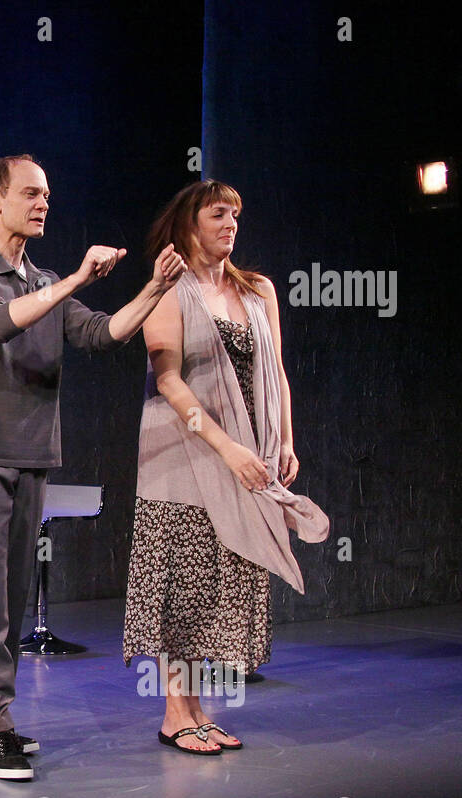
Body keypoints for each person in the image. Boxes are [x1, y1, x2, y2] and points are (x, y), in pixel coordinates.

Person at [0, 155, 186, 780]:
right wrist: (75, 279)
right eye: (31, 193)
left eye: (47, 193)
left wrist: (154, 287)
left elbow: (104, 334)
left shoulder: (41, 277)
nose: (43, 203)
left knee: (12, 598)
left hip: (32, 454)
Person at [123, 180, 329, 754]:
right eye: (218, 214)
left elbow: (277, 372)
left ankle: (199, 710)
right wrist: (227, 448)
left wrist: (283, 440)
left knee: (220, 582)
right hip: (184, 452)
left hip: (249, 448)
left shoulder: (258, 290)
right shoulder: (170, 291)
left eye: (235, 215)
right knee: (182, 584)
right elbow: (167, 379)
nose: (231, 224)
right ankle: (174, 713)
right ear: (190, 222)